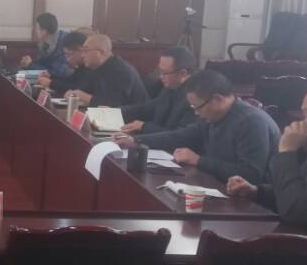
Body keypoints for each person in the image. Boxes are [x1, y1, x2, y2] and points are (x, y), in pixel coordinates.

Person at [118, 69, 280, 185]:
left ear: (217, 99)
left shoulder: (251, 122)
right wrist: (136, 141)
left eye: (197, 107)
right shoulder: (214, 115)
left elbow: (251, 174)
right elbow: (183, 135)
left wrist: (199, 161)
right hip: (216, 185)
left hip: (251, 203)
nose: (196, 113)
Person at [228, 80, 307, 230]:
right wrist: (257, 192)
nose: (305, 124)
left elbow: (295, 210)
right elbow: (300, 194)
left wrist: (287, 152)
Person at [118, 47, 198, 135]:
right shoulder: (171, 87)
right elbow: (146, 108)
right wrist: (115, 112)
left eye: (164, 73)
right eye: (160, 71)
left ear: (183, 73)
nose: (160, 76)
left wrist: (144, 127)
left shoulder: (195, 98)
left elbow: (179, 136)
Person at [68, 33, 148, 107]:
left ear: (101, 52)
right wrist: (73, 94)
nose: (82, 55)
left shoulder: (121, 71)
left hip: (135, 116)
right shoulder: (97, 68)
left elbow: (113, 105)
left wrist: (83, 96)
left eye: (86, 51)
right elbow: (86, 89)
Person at [19, 13, 71, 78]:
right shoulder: (45, 42)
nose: (35, 30)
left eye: (37, 28)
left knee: (20, 79)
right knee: (17, 76)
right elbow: (41, 64)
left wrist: (30, 65)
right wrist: (27, 64)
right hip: (49, 79)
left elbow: (56, 72)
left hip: (60, 81)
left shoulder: (64, 43)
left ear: (44, 31)